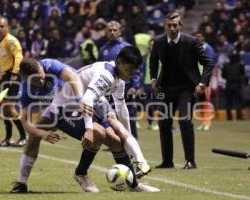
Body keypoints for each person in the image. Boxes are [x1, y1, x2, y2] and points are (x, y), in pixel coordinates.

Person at [11, 47, 159, 193]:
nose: (41, 81)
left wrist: (80, 99)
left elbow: (73, 77)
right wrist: (42, 133)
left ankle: (133, 184)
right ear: (26, 79)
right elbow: (24, 121)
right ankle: (23, 183)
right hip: (63, 108)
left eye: (42, 76)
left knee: (115, 140)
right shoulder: (25, 91)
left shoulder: (49, 65)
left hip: (84, 101)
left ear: (41, 66)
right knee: (35, 137)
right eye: (36, 80)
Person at [150, 11, 214, 169]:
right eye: (169, 25)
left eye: (175, 25)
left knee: (185, 121)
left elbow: (208, 63)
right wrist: (153, 78)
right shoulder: (158, 41)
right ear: (165, 26)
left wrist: (202, 83)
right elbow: (153, 61)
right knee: (164, 122)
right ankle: (167, 161)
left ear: (180, 25)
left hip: (187, 88)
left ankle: (190, 161)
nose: (172, 28)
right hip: (165, 88)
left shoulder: (192, 41)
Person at [98, 20, 151, 174]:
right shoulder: (103, 49)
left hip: (126, 88)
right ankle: (121, 145)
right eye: (110, 30)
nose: (112, 32)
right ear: (106, 32)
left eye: (115, 30)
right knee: (111, 117)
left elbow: (137, 68)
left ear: (120, 31)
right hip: (108, 89)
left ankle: (132, 144)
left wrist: (135, 85)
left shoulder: (126, 47)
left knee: (129, 117)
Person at [0, 17, 26, 147]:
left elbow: (18, 56)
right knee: (5, 110)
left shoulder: (11, 40)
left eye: (2, 26)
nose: (0, 28)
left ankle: (24, 137)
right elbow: (4, 63)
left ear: (7, 27)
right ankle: (8, 139)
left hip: (12, 76)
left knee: (10, 109)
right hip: (5, 77)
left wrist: (14, 73)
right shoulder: (2, 43)